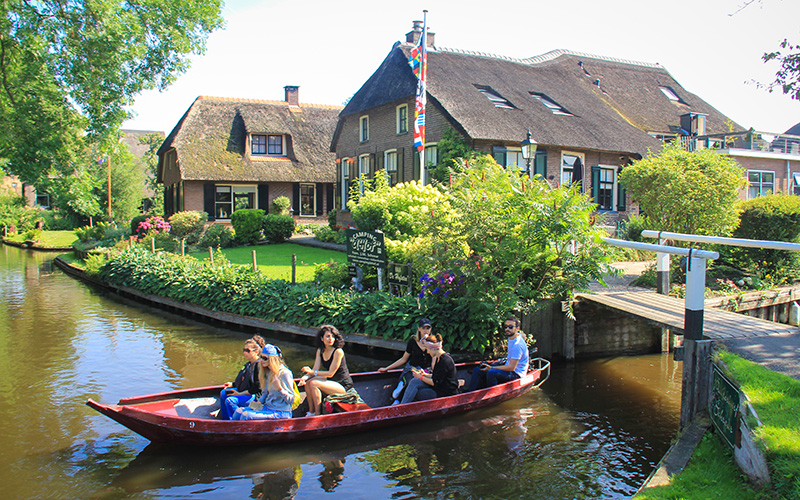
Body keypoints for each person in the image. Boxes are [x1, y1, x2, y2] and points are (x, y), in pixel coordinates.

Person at [298, 325, 354, 417]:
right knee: (309, 382)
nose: (330, 339)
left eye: (332, 336)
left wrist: (312, 373)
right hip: (331, 381)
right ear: (322, 338)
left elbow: (330, 373)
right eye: (327, 336)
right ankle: (311, 412)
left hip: (343, 385)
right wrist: (305, 377)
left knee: (314, 383)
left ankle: (317, 414)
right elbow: (315, 368)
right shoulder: (320, 350)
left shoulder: (338, 352)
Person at [232, 344, 295, 420]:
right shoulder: (268, 371)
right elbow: (265, 393)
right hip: (267, 407)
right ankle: (233, 430)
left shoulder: (284, 373)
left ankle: (241, 431)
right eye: (261, 357)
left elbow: (291, 400)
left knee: (246, 415)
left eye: (265, 358)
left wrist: (280, 389)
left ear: (273, 359)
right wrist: (257, 404)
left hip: (280, 411)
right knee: (239, 411)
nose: (261, 360)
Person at [378, 318, 433, 404]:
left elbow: (436, 359)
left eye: (428, 328)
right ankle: (398, 394)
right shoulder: (413, 341)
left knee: (415, 383)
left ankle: (401, 401)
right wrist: (387, 368)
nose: (426, 331)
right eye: (423, 328)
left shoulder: (432, 343)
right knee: (409, 380)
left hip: (426, 371)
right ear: (419, 329)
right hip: (412, 368)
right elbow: (403, 359)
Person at [468, 316, 530, 391]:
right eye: (506, 326)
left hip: (516, 373)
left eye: (510, 327)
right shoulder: (515, 335)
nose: (507, 329)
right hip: (508, 365)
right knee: (478, 370)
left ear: (517, 328)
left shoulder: (517, 345)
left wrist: (492, 368)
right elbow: (523, 335)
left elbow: (511, 367)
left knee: (491, 372)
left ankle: (492, 393)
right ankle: (471, 392)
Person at [400, 333, 459, 403]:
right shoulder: (438, 359)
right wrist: (424, 374)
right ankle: (401, 405)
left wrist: (420, 377)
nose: (427, 352)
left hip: (444, 393)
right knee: (414, 381)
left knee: (416, 393)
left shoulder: (445, 361)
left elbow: (435, 382)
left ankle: (402, 409)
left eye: (427, 349)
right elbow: (438, 376)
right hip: (438, 387)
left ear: (433, 349)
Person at [218, 335, 265, 420]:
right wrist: (233, 384)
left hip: (256, 399)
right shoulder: (249, 364)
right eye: (244, 350)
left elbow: (256, 388)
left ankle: (238, 421)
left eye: (247, 350)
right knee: (223, 393)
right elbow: (246, 380)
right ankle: (225, 420)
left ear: (256, 351)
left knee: (230, 401)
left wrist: (240, 394)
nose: (244, 353)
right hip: (246, 392)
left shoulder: (259, 366)